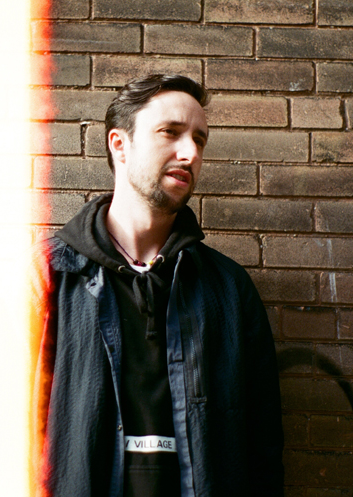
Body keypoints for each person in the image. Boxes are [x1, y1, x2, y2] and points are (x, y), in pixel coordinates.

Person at [29, 74, 284, 497]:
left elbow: (263, 450)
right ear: (120, 144)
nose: (190, 153)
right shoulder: (49, 278)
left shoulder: (228, 290)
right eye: (170, 132)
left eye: (199, 139)